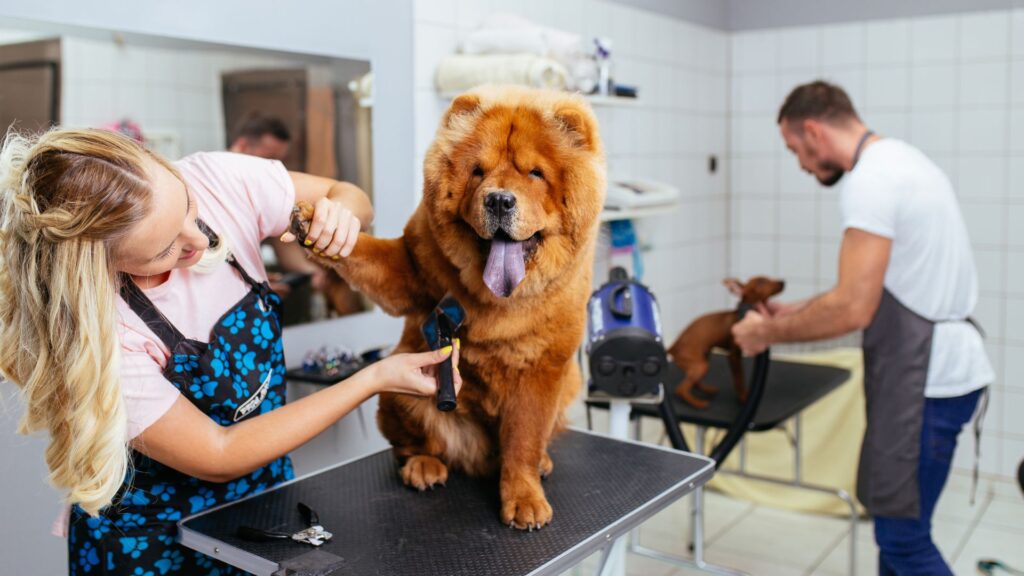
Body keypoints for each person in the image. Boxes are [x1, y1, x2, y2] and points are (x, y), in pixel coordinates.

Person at [0, 127, 461, 575]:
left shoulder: (216, 179)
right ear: (101, 263)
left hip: (264, 497)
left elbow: (350, 194)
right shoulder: (101, 330)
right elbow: (218, 454)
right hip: (148, 537)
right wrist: (374, 378)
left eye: (188, 206)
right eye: (167, 250)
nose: (199, 241)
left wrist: (340, 215)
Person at [732, 80, 992, 575]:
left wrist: (764, 334)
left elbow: (853, 307)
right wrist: (794, 312)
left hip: (927, 384)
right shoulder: (904, 161)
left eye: (795, 151)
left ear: (813, 130)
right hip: (938, 373)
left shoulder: (870, 181)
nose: (803, 165)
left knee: (903, 540)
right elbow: (883, 286)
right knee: (896, 534)